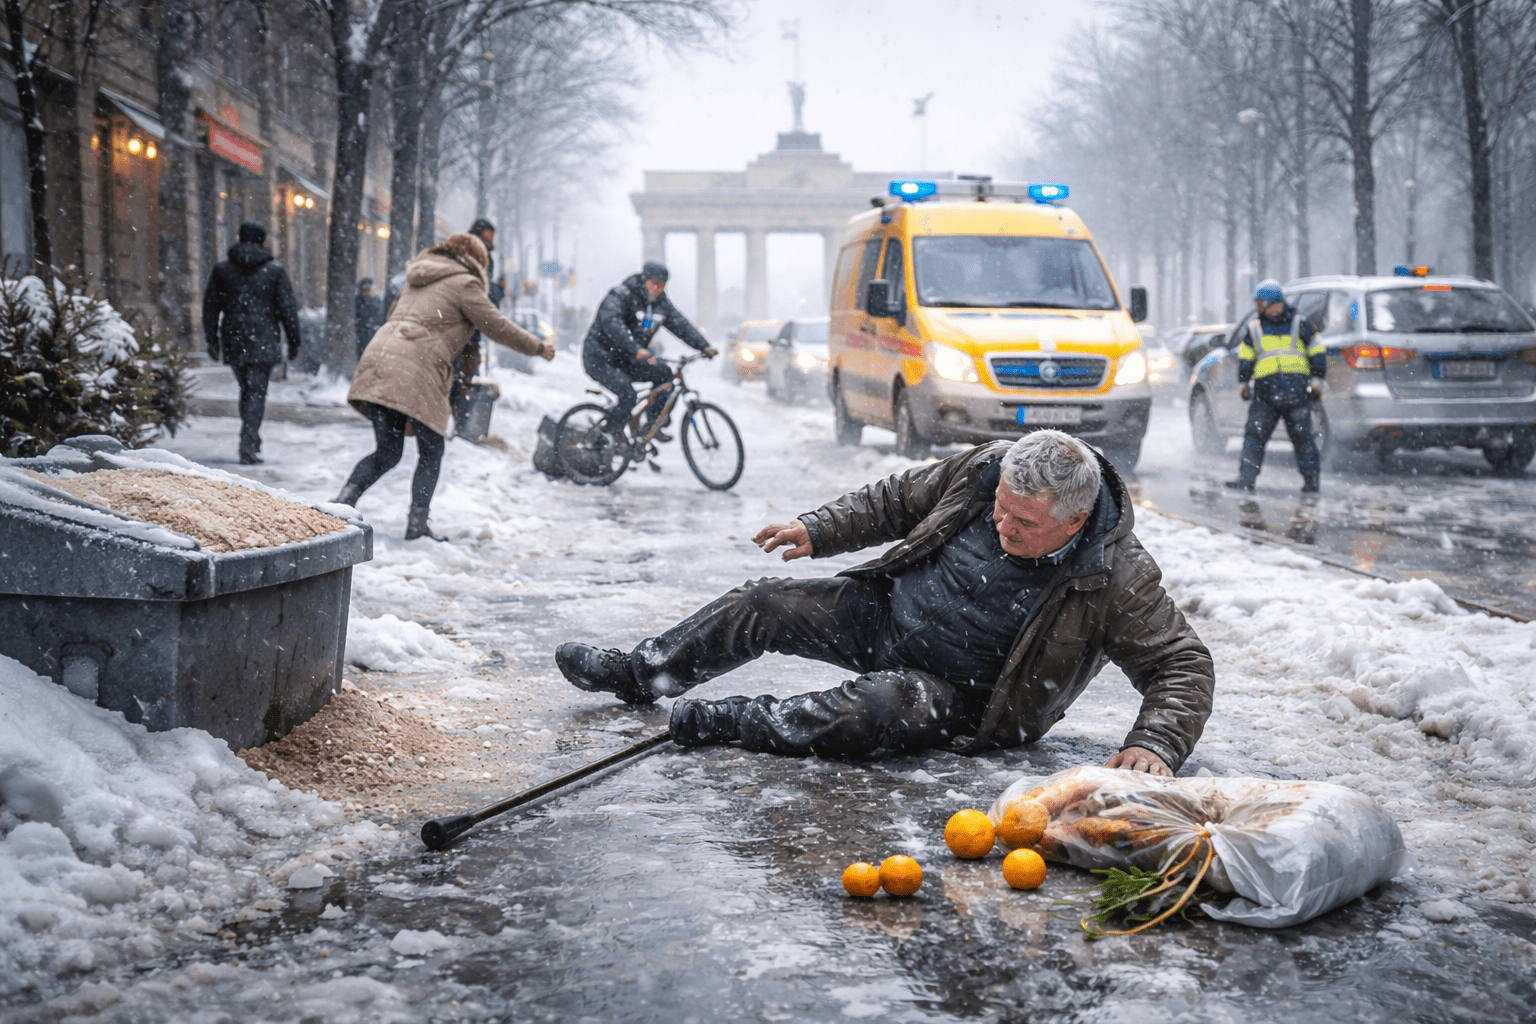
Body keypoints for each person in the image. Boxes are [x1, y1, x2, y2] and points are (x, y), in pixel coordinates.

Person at [555, 430, 1215, 774]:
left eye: (1024, 525)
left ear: (1074, 521)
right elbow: (898, 499)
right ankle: (644, 673)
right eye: (999, 513)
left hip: (959, 693)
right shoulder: (987, 470)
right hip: (888, 614)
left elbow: (1183, 666)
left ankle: (727, 720)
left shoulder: (1116, 573)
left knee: (881, 706)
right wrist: (821, 528)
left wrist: (1156, 743)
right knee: (764, 602)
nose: (1003, 528)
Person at [335, 233, 554, 539]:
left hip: (381, 358)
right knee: (431, 451)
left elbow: (395, 316)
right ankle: (417, 524)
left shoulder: (417, 278)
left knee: (387, 451)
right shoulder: (465, 284)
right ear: (476, 260)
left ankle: (344, 501)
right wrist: (538, 347)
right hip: (416, 369)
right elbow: (497, 326)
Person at [202, 221, 302, 465]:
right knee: (256, 392)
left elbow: (211, 307)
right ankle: (248, 441)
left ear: (239, 237)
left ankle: (250, 436)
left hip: (234, 337)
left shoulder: (223, 270)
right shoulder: (274, 272)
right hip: (264, 337)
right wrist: (294, 341)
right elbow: (287, 309)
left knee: (246, 390)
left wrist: (212, 339)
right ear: (263, 241)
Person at [582, 261, 715, 441]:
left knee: (665, 376)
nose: (658, 288)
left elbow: (680, 324)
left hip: (627, 358)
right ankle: (610, 434)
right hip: (600, 358)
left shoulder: (661, 304)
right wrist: (635, 349)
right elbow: (612, 324)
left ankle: (652, 425)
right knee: (627, 394)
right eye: (654, 283)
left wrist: (704, 346)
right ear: (644, 280)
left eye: (662, 284)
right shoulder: (621, 295)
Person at [1225, 279, 1327, 494]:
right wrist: (1245, 381)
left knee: (1302, 437)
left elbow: (1317, 351)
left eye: (1259, 302)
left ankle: (1311, 481)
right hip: (1266, 393)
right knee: (1255, 435)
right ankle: (1246, 479)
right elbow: (1246, 356)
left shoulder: (1301, 323)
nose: (1257, 307)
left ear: (1271, 303)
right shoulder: (1255, 327)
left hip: (1295, 392)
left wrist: (1317, 381)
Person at [354, 278, 385, 359]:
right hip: (364, 333)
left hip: (373, 332)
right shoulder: (359, 300)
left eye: (369, 287)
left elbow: (379, 315)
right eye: (366, 288)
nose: (369, 290)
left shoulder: (376, 299)